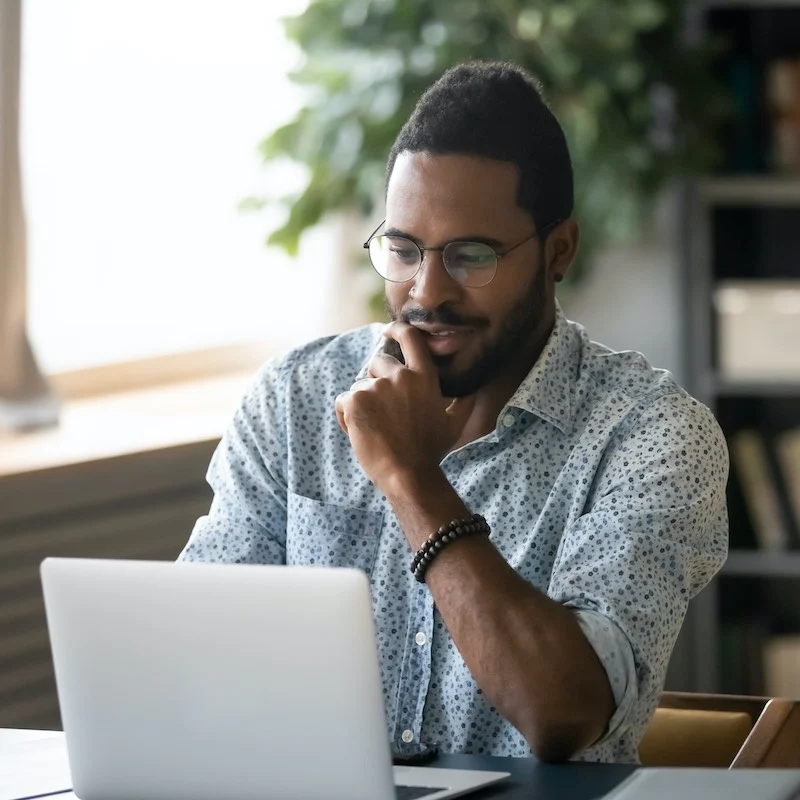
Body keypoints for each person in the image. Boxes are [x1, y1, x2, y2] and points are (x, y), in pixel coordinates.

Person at [178, 60, 728, 763]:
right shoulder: (295, 399)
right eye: (403, 249)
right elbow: (193, 660)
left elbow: (564, 713)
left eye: (471, 255)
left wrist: (411, 480)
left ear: (559, 250)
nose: (426, 290)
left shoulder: (653, 436)